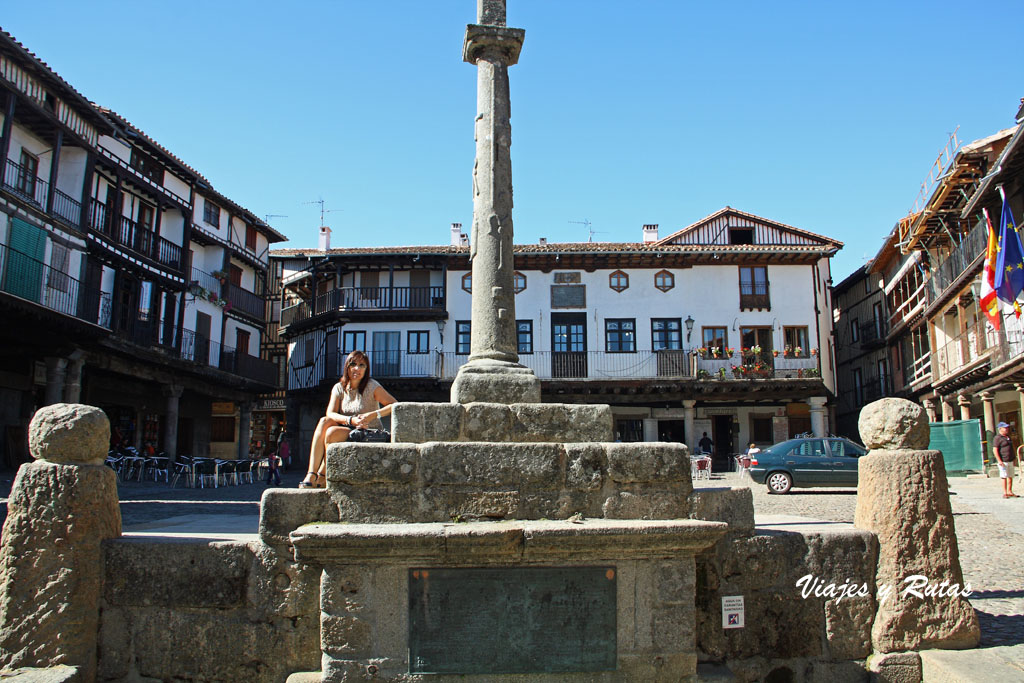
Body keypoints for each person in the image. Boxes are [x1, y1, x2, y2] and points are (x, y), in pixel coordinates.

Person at [299, 350, 397, 488]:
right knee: (324, 421)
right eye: (353, 364)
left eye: (362, 365)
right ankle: (312, 473)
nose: (357, 368)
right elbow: (330, 413)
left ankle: (322, 475)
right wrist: (351, 420)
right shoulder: (339, 388)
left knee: (331, 433)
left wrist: (373, 415)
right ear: (347, 367)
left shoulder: (372, 386)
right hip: (350, 427)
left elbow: (395, 405)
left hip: (369, 431)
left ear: (366, 369)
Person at [993, 421, 1018, 499]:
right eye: (1005, 428)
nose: (1007, 429)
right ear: (1000, 429)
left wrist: (1014, 458)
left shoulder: (1008, 437)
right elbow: (995, 449)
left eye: (1007, 427)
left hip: (1010, 459)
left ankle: (1010, 491)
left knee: (1010, 476)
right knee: (1004, 476)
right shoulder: (997, 438)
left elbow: (1011, 447)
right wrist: (999, 460)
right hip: (1003, 460)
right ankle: (1005, 492)